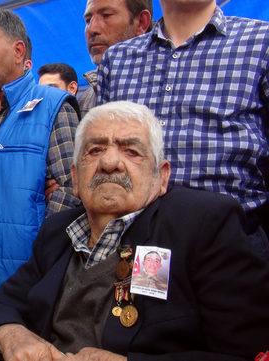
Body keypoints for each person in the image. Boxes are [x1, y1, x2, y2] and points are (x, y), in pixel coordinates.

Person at [0, 101, 269, 361]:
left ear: (162, 176)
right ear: (74, 176)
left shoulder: (205, 223)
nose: (110, 163)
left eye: (132, 151)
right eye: (95, 150)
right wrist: (12, 334)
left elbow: (245, 353)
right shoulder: (57, 231)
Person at [98, 0, 269, 258]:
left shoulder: (260, 43)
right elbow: (101, 152)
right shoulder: (118, 59)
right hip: (132, 251)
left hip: (230, 252)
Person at [0, 9, 80, 291]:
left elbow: (71, 191)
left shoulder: (53, 106)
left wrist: (39, 262)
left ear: (18, 50)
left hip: (19, 283)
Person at [77, 0, 152, 117]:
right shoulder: (84, 101)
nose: (92, 29)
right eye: (88, 20)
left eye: (106, 15)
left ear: (141, 22)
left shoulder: (171, 83)